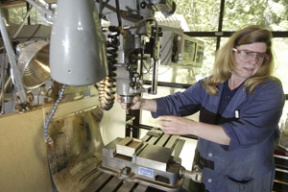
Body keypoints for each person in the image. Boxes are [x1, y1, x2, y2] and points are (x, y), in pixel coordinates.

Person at [117, 25, 285, 192]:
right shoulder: (212, 83)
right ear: (231, 53)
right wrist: (143, 103)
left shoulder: (269, 89)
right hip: (205, 176)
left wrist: (189, 127)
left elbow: (245, 132)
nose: (253, 61)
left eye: (260, 56)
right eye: (247, 53)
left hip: (243, 182)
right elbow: (179, 102)